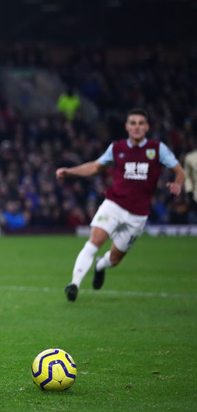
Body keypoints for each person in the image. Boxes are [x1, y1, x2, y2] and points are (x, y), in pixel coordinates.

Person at [56, 108, 185, 302]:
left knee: (115, 259)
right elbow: (95, 166)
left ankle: (100, 265)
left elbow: (179, 171)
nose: (136, 127)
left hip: (138, 215)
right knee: (94, 242)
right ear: (127, 127)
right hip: (113, 204)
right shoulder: (116, 148)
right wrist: (70, 171)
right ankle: (74, 284)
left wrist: (178, 183)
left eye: (141, 123)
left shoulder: (157, 149)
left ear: (147, 127)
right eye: (133, 123)